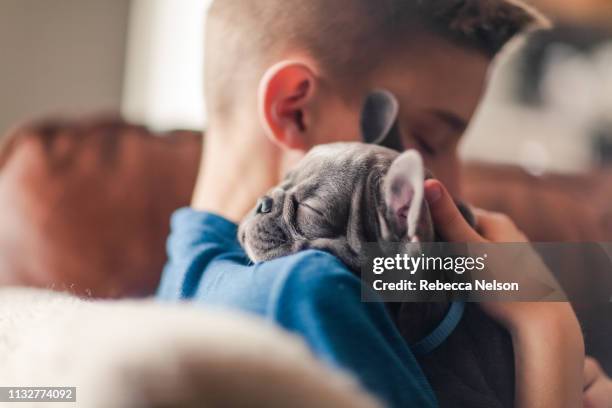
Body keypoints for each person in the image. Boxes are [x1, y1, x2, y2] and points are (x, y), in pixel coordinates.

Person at [158, 0, 606, 406]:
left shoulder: (182, 273)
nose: (454, 185)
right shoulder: (311, 294)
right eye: (429, 141)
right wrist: (548, 331)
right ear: (294, 108)